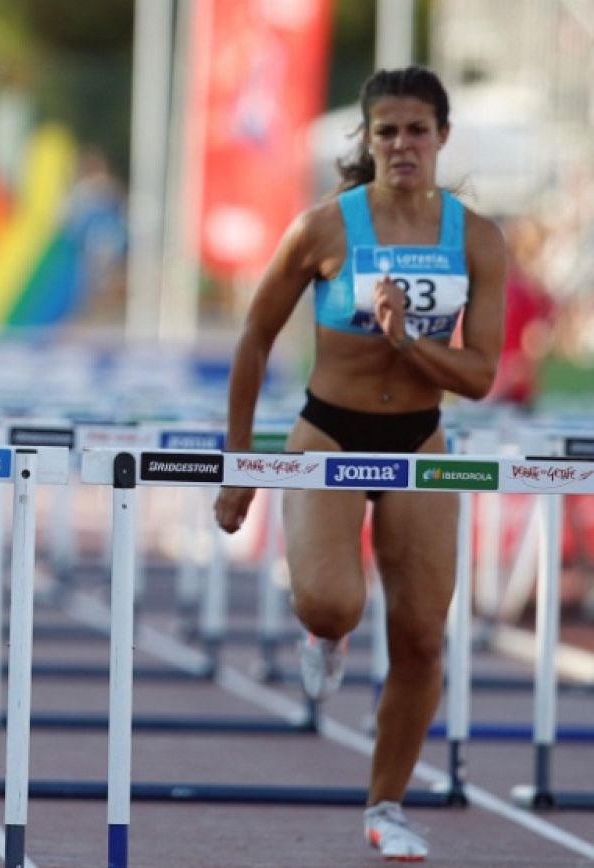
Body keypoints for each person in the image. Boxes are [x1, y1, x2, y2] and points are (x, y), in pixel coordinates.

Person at [212, 66, 505, 862]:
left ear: (442, 136)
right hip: (328, 433)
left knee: (419, 637)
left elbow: (480, 377)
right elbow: (253, 340)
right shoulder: (323, 228)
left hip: (420, 439)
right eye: (387, 131)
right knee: (335, 605)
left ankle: (387, 805)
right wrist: (241, 465)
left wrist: (409, 340)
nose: (402, 144)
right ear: (367, 140)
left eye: (417, 129)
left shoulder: (476, 237)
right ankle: (326, 634)